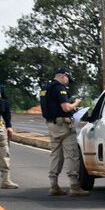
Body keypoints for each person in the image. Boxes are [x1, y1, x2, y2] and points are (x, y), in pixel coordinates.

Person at [39, 68, 88, 196]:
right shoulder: (59, 88)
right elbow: (66, 107)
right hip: (64, 126)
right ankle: (74, 186)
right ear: (63, 76)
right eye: (67, 79)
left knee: (56, 155)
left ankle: (54, 185)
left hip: (51, 125)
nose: (67, 82)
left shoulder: (45, 88)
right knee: (71, 155)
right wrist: (75, 103)